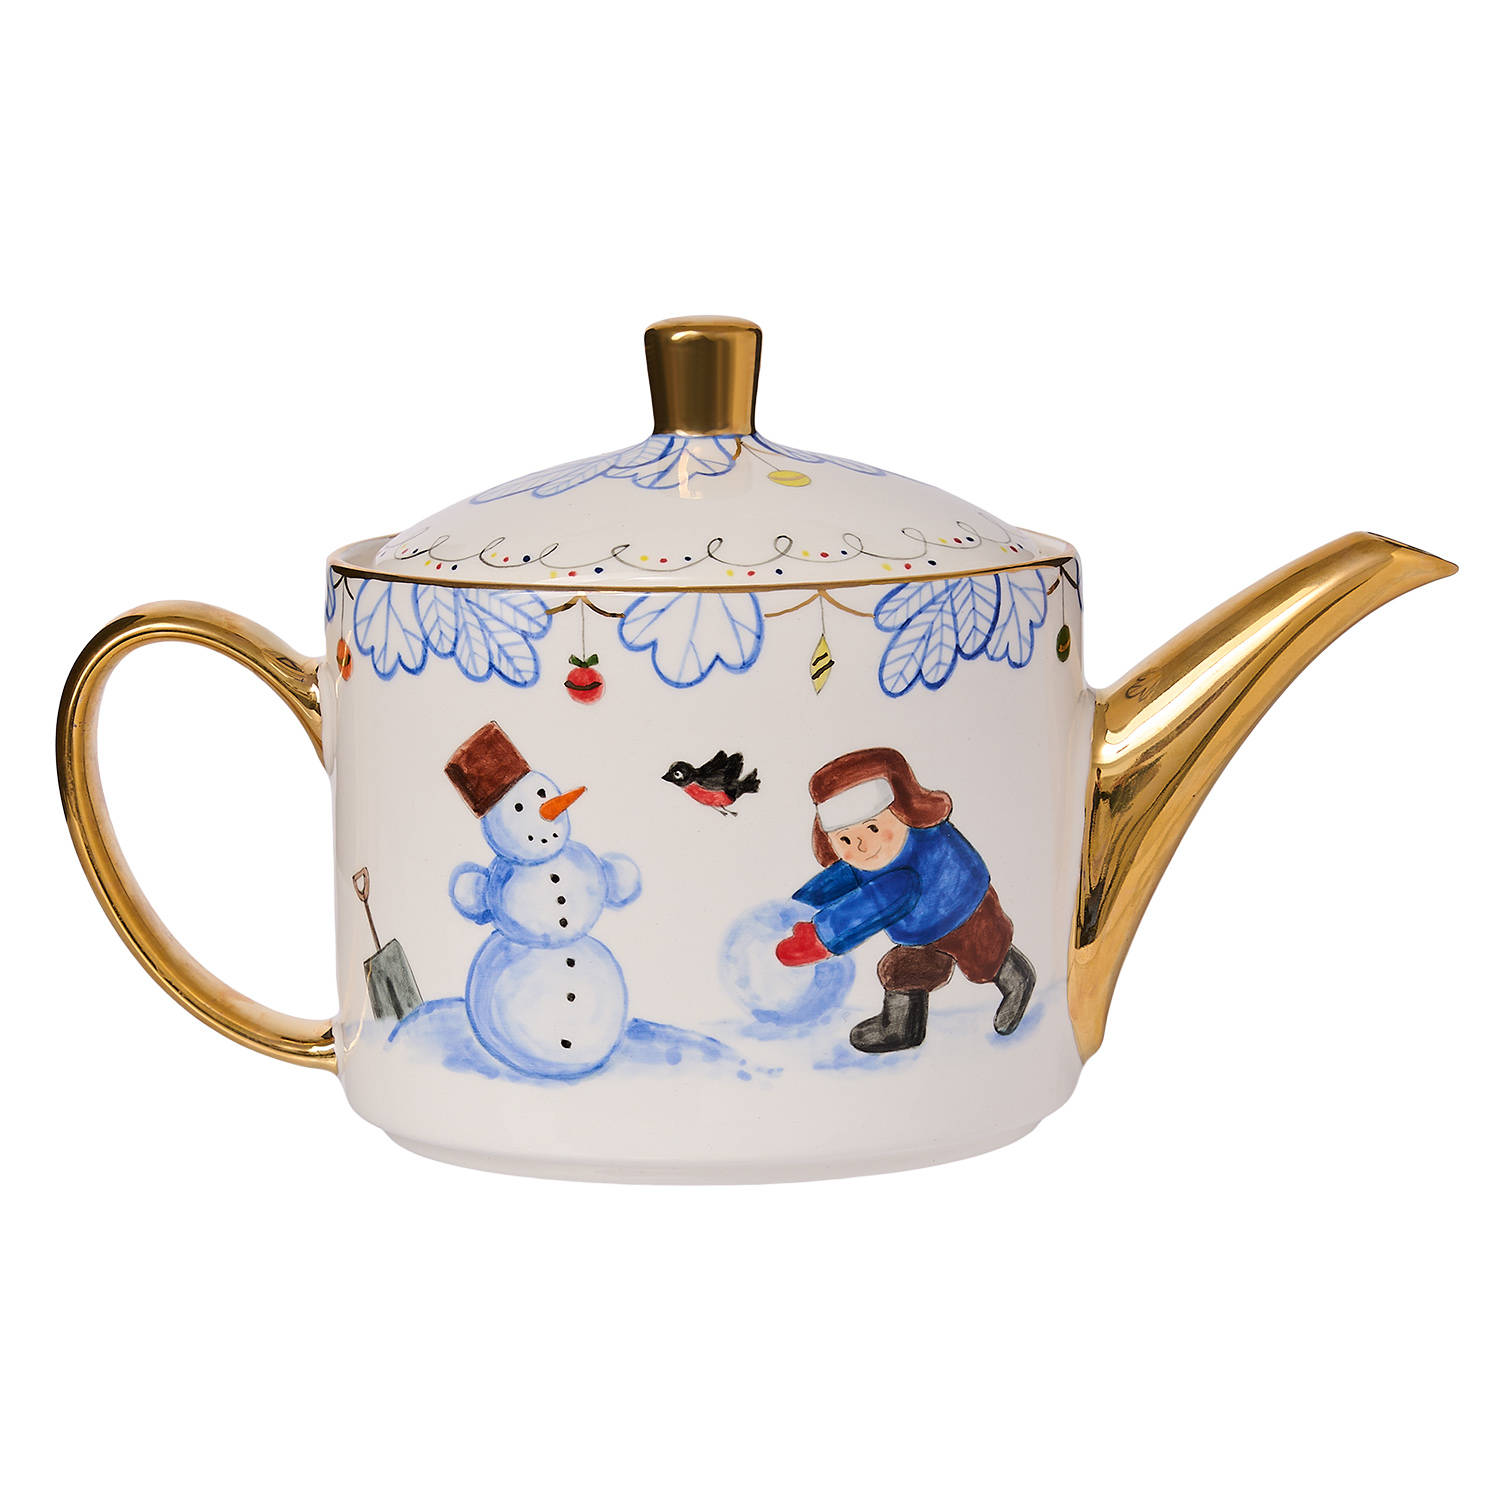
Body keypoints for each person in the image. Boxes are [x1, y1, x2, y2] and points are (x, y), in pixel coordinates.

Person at [775, 747, 1035, 1054]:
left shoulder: (910, 863)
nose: (861, 845)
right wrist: (802, 903)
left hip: (967, 913)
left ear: (901, 813)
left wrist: (818, 938)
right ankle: (903, 1027)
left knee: (985, 959)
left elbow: (870, 906)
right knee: (902, 969)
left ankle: (1017, 980)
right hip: (919, 932)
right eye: (844, 839)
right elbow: (848, 875)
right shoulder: (871, 855)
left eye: (873, 828)